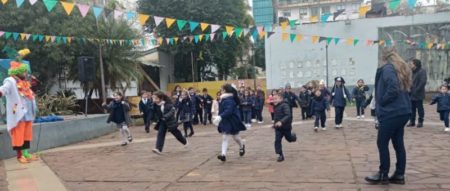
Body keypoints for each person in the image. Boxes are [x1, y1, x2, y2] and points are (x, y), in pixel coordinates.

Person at [365, 47, 412, 185]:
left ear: (383, 58)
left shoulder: (388, 69)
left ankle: (383, 173)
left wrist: (382, 102)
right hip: (402, 111)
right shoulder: (399, 69)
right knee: (398, 143)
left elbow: (393, 88)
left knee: (382, 142)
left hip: (391, 112)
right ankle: (399, 174)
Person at [0, 48, 39, 163]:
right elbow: (4, 89)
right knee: (18, 134)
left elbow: (30, 94)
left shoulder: (25, 82)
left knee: (27, 134)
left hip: (28, 112)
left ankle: (26, 153)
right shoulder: (10, 80)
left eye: (26, 72)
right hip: (18, 112)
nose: (26, 73)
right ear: (17, 72)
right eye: (24, 72)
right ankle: (19, 155)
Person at [213, 84, 246, 162]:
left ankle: (241, 146)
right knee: (225, 137)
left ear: (225, 90)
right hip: (226, 120)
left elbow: (229, 111)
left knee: (236, 137)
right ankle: (223, 155)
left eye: (221, 89)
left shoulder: (230, 100)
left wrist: (220, 117)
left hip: (232, 121)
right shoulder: (224, 98)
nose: (220, 91)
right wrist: (219, 116)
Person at [272, 92, 297, 162]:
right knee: (277, 140)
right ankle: (280, 155)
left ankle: (293, 137)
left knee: (289, 139)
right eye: (273, 99)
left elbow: (288, 115)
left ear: (281, 99)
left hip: (286, 127)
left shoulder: (285, 105)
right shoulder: (275, 106)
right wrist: (275, 124)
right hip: (278, 128)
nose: (274, 100)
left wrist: (281, 122)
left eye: (276, 99)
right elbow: (276, 117)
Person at [407, 59, 427, 128]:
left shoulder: (422, 71)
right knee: (411, 108)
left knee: (419, 108)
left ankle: (420, 121)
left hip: (418, 94)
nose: (410, 65)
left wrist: (416, 90)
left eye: (411, 64)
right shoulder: (412, 72)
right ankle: (412, 121)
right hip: (411, 93)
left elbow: (423, 82)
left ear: (415, 64)